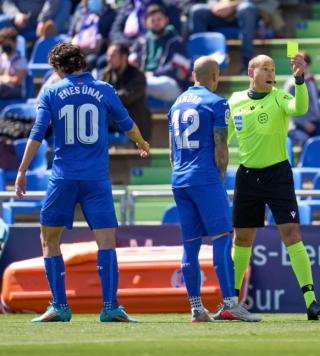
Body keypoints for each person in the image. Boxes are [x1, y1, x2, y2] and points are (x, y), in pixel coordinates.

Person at [14, 42, 151, 322]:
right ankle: (110, 306)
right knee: (106, 240)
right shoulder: (103, 89)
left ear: (58, 68)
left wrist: (22, 170)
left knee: (49, 239)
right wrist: (142, 142)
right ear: (83, 64)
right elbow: (127, 123)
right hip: (96, 178)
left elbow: (37, 134)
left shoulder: (52, 91)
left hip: (63, 176)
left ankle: (60, 306)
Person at [227, 54, 320, 320]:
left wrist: (299, 80)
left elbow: (301, 108)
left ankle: (311, 301)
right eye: (266, 68)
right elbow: (223, 139)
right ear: (251, 72)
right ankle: (231, 303)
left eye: (273, 69)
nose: (271, 73)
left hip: (278, 175)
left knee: (292, 233)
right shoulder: (235, 101)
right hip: (247, 176)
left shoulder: (279, 97)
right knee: (242, 239)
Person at [169, 56, 261, 323]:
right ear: (214, 76)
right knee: (222, 238)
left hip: (180, 179)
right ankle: (230, 303)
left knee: (190, 244)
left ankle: (196, 308)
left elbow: (173, 151)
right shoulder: (216, 103)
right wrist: (219, 180)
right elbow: (221, 148)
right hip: (206, 178)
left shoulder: (176, 104)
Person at [131, 4, 191, 102]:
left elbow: (181, 70)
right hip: (144, 81)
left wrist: (154, 74)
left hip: (170, 84)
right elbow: (132, 63)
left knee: (139, 85)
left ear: (166, 20)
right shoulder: (141, 42)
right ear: (145, 23)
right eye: (152, 20)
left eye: (159, 19)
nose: (156, 23)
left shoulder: (176, 42)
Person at [187, 0, 258, 72]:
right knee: (197, 10)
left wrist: (232, 5)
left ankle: (247, 62)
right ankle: (200, 64)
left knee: (246, 8)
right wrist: (215, 6)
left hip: (241, 14)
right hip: (219, 14)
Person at [101, 42, 152, 141]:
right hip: (114, 119)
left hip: (134, 121)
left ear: (124, 57)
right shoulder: (107, 74)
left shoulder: (138, 76)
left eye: (112, 56)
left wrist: (107, 97)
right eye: (108, 56)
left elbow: (127, 97)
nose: (108, 59)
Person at [284, 51, 320, 146]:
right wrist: (305, 123)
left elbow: (316, 105)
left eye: (303, 66)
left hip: (315, 123)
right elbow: (289, 110)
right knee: (308, 143)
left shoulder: (311, 82)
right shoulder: (291, 85)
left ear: (308, 66)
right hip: (298, 126)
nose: (299, 69)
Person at [0, 27, 27, 99]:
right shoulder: (1, 58)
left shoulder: (21, 60)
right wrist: (6, 78)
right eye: (2, 43)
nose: (5, 45)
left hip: (15, 90)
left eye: (7, 42)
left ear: (15, 42)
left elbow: (17, 80)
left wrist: (3, 79)